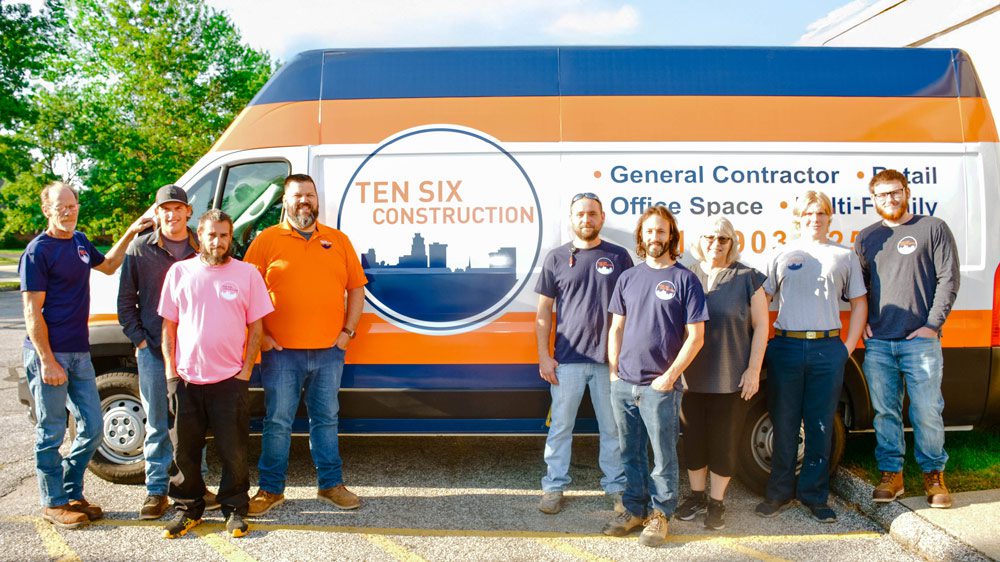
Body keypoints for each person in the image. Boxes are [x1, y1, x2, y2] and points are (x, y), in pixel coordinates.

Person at [20, 181, 151, 529]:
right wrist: (47, 360)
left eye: (72, 204)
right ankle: (53, 502)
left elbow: (108, 266)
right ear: (46, 209)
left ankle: (70, 492)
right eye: (60, 206)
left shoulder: (79, 243)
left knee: (92, 428)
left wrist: (130, 232)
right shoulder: (37, 252)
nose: (68, 211)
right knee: (50, 432)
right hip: (50, 353)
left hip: (79, 352)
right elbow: (32, 312)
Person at [243, 174, 367, 516]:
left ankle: (330, 485)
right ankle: (270, 490)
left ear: (316, 200)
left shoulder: (338, 240)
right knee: (278, 421)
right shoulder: (266, 240)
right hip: (281, 354)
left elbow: (357, 287)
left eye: (309, 195)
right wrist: (262, 337)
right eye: (297, 195)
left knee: (326, 418)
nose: (304, 201)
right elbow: (247, 292)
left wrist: (348, 332)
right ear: (285, 200)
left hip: (329, 352)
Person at [158, 209, 273, 538]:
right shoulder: (180, 272)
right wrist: (170, 371)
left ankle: (235, 507)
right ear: (201, 235)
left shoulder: (247, 274)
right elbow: (169, 326)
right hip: (186, 379)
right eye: (212, 234)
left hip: (230, 380)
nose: (218, 241)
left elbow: (256, 328)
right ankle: (187, 507)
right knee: (183, 451)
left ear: (230, 236)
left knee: (234, 449)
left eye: (224, 235)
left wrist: (245, 372)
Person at [756, 190, 867, 523]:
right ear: (798, 218)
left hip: (827, 348)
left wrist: (846, 348)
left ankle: (814, 496)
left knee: (820, 427)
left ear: (829, 217)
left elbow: (859, 303)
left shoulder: (844, 256)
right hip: (786, 346)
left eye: (820, 213)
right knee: (785, 422)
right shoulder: (780, 253)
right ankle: (779, 494)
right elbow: (763, 299)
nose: (814, 219)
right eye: (807, 214)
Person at [602, 206, 708, 548]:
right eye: (649, 231)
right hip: (624, 384)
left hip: (660, 387)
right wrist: (614, 371)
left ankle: (660, 514)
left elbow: (696, 336)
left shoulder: (685, 279)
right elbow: (616, 327)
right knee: (630, 452)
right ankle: (634, 509)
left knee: (663, 457)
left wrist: (669, 377)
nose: (655, 237)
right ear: (641, 236)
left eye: (661, 232)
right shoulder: (628, 278)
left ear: (671, 236)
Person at [855, 169, 959, 508]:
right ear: (873, 200)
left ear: (907, 191)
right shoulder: (866, 237)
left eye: (895, 192)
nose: (890, 200)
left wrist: (932, 324)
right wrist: (864, 322)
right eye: (882, 195)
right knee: (885, 412)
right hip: (879, 343)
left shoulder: (933, 228)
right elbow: (860, 287)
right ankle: (891, 474)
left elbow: (948, 279)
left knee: (927, 411)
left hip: (921, 341)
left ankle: (933, 475)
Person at [117, 184, 219, 520]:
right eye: (165, 209)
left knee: (193, 423)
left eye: (178, 208)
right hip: (153, 352)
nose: (171, 215)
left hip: (194, 351)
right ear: (156, 213)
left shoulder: (202, 247)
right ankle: (156, 491)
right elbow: (125, 302)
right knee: (159, 423)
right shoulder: (138, 249)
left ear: (189, 211)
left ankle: (196, 486)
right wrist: (141, 341)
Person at [534, 192, 629, 515]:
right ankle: (554, 486)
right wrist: (544, 356)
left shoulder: (619, 257)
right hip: (566, 361)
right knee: (560, 426)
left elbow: (630, 311)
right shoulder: (556, 258)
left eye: (592, 214)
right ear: (571, 219)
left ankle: (617, 488)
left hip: (609, 362)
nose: (586, 219)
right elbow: (544, 311)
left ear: (601, 218)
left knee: (612, 428)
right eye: (580, 214)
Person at [676, 217, 768, 530]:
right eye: (710, 237)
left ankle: (716, 502)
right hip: (690, 377)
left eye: (723, 239)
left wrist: (753, 370)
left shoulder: (748, 277)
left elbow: (761, 327)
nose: (716, 244)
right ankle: (697, 496)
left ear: (732, 243)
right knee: (694, 440)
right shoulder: (687, 275)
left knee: (724, 442)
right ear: (698, 241)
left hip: (730, 377)